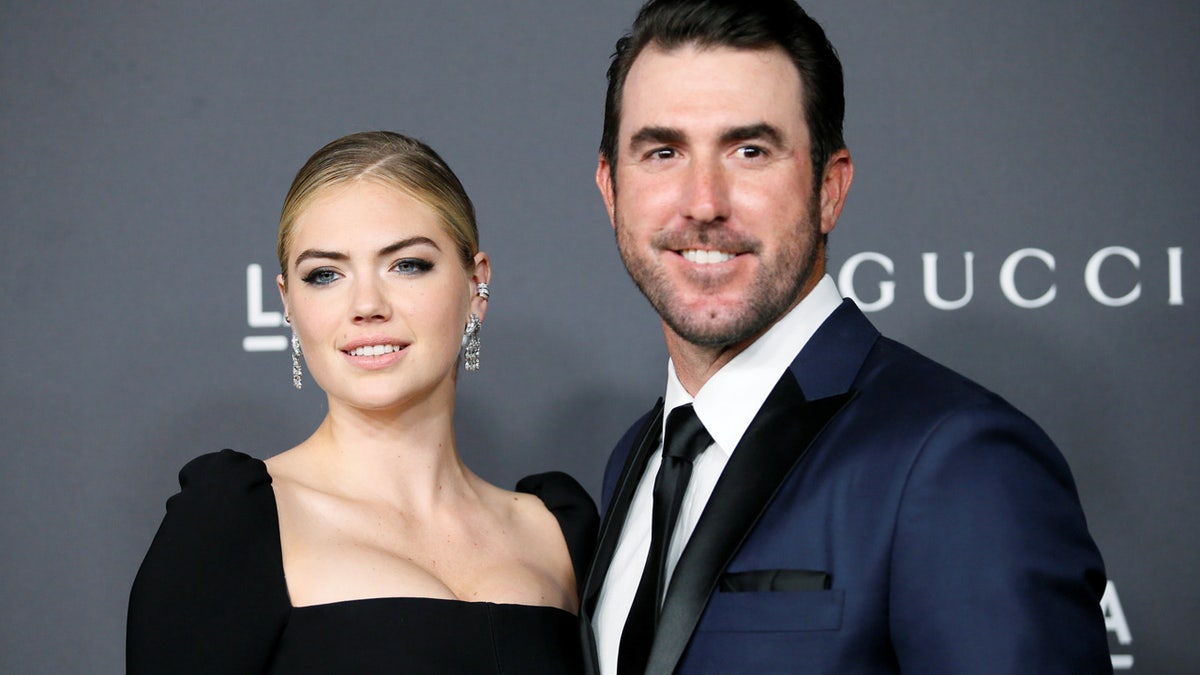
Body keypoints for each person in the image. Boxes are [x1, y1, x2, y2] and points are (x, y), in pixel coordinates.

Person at [579, 1, 1112, 674]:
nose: (704, 200)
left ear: (829, 188)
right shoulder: (637, 458)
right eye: (663, 152)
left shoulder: (957, 461)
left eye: (750, 151)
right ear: (610, 190)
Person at [128, 131, 598, 673]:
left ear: (476, 285)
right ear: (287, 303)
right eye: (325, 275)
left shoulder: (557, 530)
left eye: (407, 265)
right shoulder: (235, 524)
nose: (366, 305)